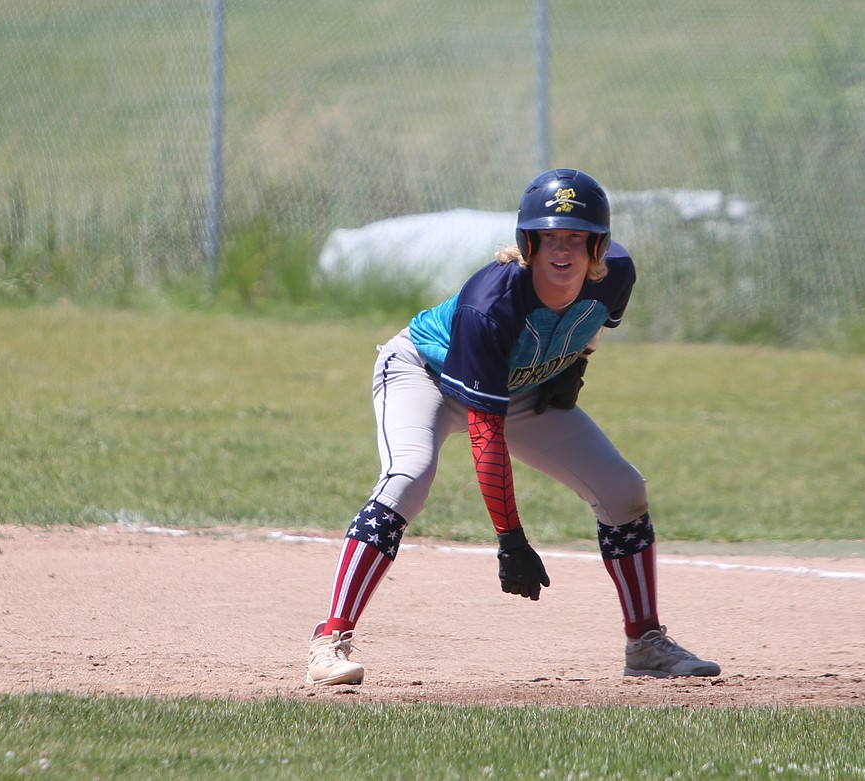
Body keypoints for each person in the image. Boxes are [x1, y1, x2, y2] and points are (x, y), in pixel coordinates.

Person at [306, 168, 720, 685]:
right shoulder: (491, 304)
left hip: (517, 386)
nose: (562, 249)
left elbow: (588, 327)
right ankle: (330, 640)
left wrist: (573, 368)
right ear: (529, 241)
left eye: (577, 236)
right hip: (425, 374)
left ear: (598, 246)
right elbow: (486, 437)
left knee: (623, 489)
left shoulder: (617, 274)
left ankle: (646, 646)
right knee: (408, 477)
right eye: (549, 236)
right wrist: (511, 540)